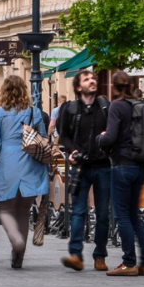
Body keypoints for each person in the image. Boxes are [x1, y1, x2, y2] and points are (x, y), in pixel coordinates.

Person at [0, 75, 48, 269]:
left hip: (7, 162)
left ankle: (16, 240)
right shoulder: (34, 111)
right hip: (30, 163)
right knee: (24, 210)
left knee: (5, 209)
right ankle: (19, 255)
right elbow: (43, 139)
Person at [97, 70, 144, 276]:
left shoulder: (117, 106)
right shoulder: (140, 105)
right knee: (133, 214)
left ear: (114, 87)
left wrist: (100, 138)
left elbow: (110, 137)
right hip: (140, 165)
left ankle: (129, 262)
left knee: (122, 215)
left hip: (122, 164)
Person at [57, 69, 111, 272]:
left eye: (93, 78)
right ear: (79, 87)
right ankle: (75, 255)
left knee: (103, 213)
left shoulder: (106, 106)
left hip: (103, 165)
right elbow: (63, 136)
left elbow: (116, 132)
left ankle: (100, 255)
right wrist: (72, 151)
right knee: (78, 211)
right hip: (80, 167)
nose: (92, 81)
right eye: (87, 79)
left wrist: (109, 136)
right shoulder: (69, 109)